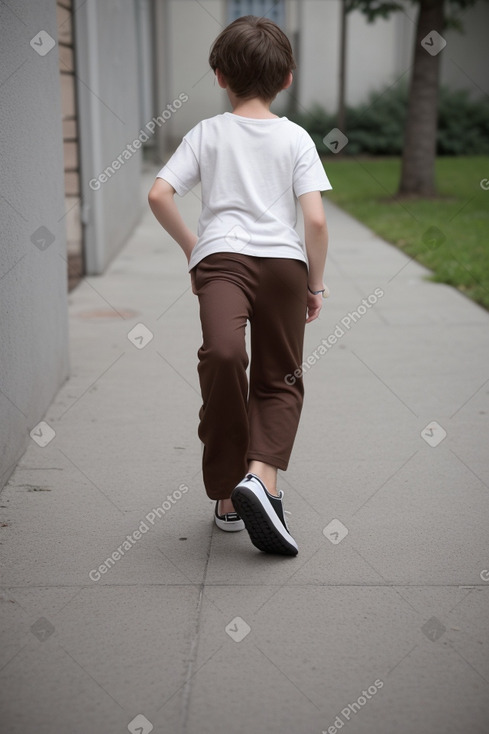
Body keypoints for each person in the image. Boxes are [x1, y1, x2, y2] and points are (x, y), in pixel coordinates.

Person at [148, 15, 331, 556]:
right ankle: (262, 479)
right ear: (288, 78)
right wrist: (314, 287)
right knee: (280, 377)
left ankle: (233, 494)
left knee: (223, 359)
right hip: (283, 266)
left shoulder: (206, 133)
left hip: (221, 261)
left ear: (220, 76)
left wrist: (192, 248)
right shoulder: (296, 137)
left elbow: (160, 194)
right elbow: (316, 222)